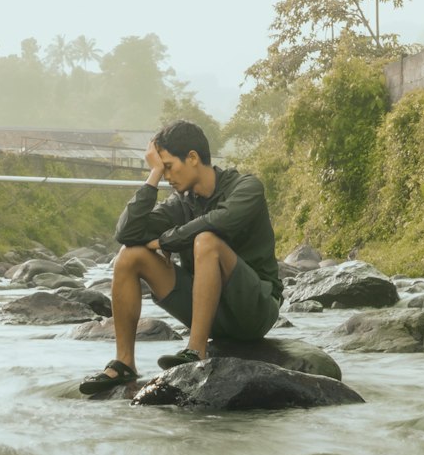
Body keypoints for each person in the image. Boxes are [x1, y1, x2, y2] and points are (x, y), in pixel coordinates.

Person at [79, 119, 282, 393]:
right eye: (161, 170)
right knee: (129, 256)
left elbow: (219, 221)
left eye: (169, 167)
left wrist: (166, 241)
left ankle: (195, 351)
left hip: (253, 310)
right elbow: (127, 232)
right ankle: (125, 363)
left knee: (207, 240)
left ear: (193, 158)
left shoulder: (246, 187)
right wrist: (151, 176)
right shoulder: (181, 203)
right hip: (211, 313)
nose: (166, 176)